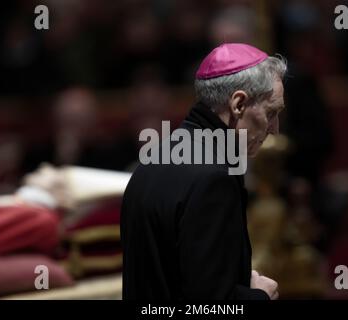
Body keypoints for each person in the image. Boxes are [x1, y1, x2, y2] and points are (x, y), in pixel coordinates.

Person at [121, 43, 287, 300]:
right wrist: (259, 296)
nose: (275, 129)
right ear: (238, 104)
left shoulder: (154, 158)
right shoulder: (213, 179)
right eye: (271, 112)